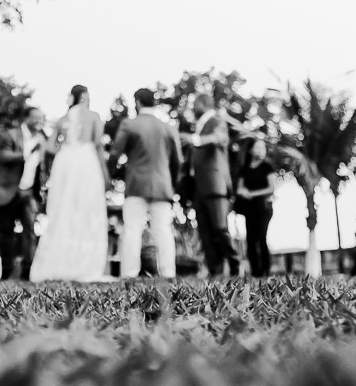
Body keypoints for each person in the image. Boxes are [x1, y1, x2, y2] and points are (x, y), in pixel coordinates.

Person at [30, 86, 111, 282]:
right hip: (86, 162)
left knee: (63, 210)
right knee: (88, 210)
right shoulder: (93, 116)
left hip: (65, 163)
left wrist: (65, 147)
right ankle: (85, 264)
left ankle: (57, 263)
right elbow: (98, 145)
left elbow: (50, 147)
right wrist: (105, 175)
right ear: (83, 97)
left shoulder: (62, 119)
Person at [108, 88, 183, 278]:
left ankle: (129, 274)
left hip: (136, 184)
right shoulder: (168, 127)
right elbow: (178, 161)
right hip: (163, 185)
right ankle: (168, 273)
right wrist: (171, 183)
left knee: (132, 229)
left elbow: (116, 153)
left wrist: (112, 174)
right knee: (163, 230)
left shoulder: (130, 124)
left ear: (138, 102)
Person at [0, 106, 47, 280]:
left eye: (42, 119)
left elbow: (41, 168)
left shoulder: (41, 140)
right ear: (26, 118)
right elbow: (2, 156)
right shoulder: (11, 135)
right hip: (8, 191)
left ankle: (26, 271)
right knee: (5, 232)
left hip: (28, 193)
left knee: (29, 230)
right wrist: (26, 154)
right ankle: (6, 270)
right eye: (36, 118)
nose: (39, 122)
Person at [186, 93, 239, 277]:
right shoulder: (199, 126)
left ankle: (234, 262)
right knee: (205, 230)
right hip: (199, 186)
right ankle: (215, 269)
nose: (192, 108)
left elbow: (220, 138)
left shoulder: (216, 119)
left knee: (219, 227)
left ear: (202, 104)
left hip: (215, 183)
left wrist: (196, 140)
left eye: (194, 104)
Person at [235, 139, 277, 277]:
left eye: (263, 148)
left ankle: (266, 270)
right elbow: (239, 187)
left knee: (261, 237)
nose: (261, 150)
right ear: (250, 150)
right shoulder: (244, 168)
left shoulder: (267, 167)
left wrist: (252, 193)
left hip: (263, 207)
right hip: (249, 209)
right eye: (258, 148)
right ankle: (255, 272)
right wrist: (242, 191)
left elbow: (271, 188)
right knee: (251, 240)